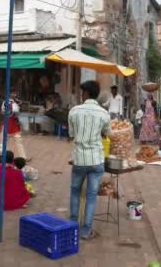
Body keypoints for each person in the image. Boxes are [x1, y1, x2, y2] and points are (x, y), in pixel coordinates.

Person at [68, 80, 111, 240]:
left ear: (85, 93)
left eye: (81, 92)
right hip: (96, 160)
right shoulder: (104, 113)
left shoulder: (74, 111)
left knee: (75, 192)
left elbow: (72, 134)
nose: (81, 94)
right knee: (91, 196)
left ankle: (72, 227)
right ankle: (86, 231)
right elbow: (107, 133)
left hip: (79, 159)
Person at [1, 91, 28, 161]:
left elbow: (19, 110)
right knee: (5, 141)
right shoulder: (5, 102)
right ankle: (3, 156)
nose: (14, 94)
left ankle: (23, 157)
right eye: (13, 93)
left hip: (14, 123)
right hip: (8, 122)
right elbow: (3, 112)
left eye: (15, 93)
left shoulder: (18, 101)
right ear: (9, 94)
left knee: (18, 140)